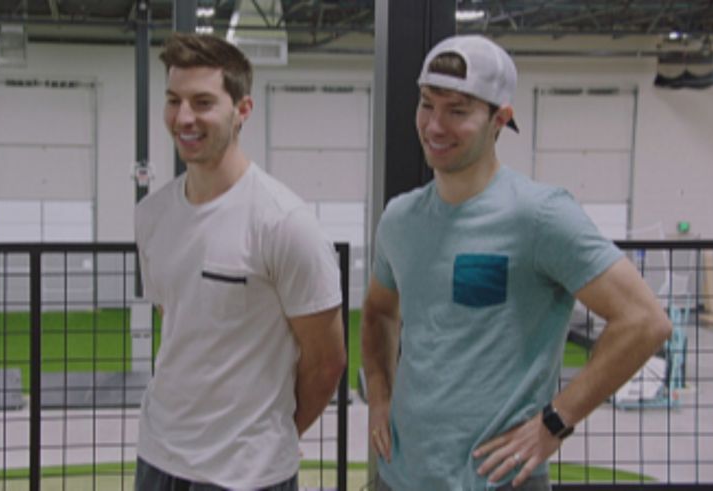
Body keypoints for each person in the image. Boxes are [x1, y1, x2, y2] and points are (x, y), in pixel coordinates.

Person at [361, 34, 672, 491]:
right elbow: (378, 312)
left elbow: (645, 321)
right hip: (398, 477)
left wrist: (555, 423)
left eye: (458, 110)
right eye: (428, 104)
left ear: (499, 120)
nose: (434, 126)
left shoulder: (540, 216)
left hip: (496, 480)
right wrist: (379, 396)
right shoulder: (400, 218)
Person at [133, 32, 347, 491]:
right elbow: (178, 323)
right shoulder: (151, 216)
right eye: (174, 100)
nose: (184, 118)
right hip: (157, 459)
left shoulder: (284, 223)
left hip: (247, 475)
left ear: (242, 110)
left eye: (203, 102)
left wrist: (267, 438)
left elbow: (327, 363)